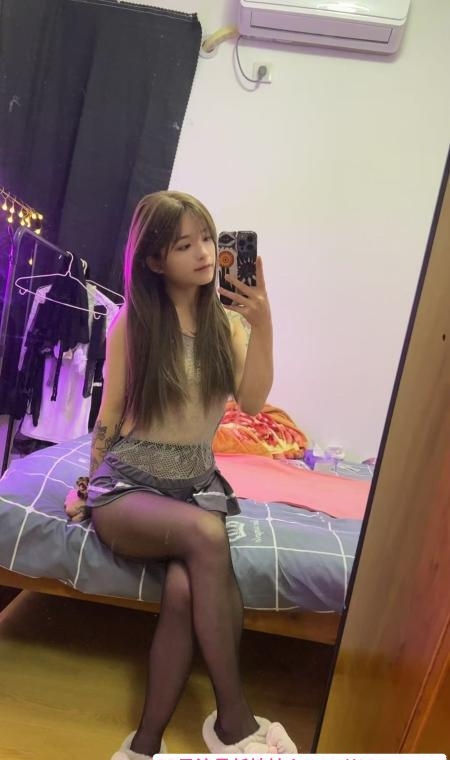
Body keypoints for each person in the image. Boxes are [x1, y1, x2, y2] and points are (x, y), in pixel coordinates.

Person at [65, 191, 297, 759]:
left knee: (184, 587)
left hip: (192, 490)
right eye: (184, 244)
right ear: (153, 259)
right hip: (128, 490)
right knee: (206, 534)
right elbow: (109, 416)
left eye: (208, 240)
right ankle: (235, 723)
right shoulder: (134, 324)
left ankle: (144, 745)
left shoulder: (227, 327)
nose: (204, 253)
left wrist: (263, 323)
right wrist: (86, 488)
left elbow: (253, 401)